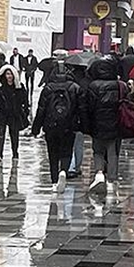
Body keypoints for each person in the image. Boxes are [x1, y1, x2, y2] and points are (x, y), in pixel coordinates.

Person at [31, 63, 82, 192]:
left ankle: (54, 182)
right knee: (66, 151)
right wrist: (82, 125)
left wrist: (36, 128)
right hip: (69, 126)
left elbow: (41, 110)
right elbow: (81, 109)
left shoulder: (48, 88)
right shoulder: (74, 87)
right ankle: (64, 171)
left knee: (52, 154)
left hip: (51, 126)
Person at [80, 56, 125, 195]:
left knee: (98, 151)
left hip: (97, 124)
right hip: (115, 124)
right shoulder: (118, 85)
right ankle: (112, 180)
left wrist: (87, 126)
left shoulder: (93, 86)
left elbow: (88, 107)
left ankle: (99, 173)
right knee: (113, 152)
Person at [0, 64, 29, 163]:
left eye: (11, 74)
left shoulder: (19, 87)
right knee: (1, 134)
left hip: (14, 113)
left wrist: (25, 110)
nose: (9, 76)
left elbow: (24, 100)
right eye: (7, 74)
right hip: (3, 113)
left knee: (14, 134)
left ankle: (15, 153)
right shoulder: (0, 87)